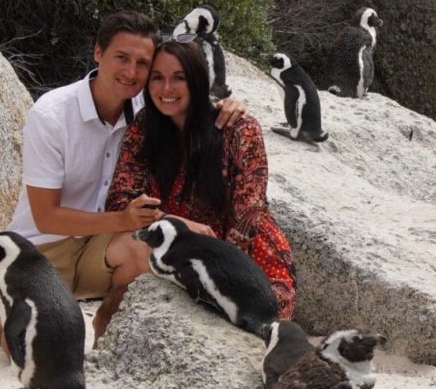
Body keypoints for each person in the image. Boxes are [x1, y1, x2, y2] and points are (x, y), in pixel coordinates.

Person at [0, 11, 247, 346]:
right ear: (98, 53)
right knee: (36, 343)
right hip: (42, 250)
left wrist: (227, 104)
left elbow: (185, 98)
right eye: (122, 58)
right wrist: (124, 219)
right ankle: (6, 314)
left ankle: (108, 324)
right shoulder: (51, 115)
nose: (131, 72)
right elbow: (45, 216)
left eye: (142, 63)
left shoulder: (147, 105)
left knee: (150, 250)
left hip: (102, 247)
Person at [104, 37, 297, 320]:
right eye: (157, 77)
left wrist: (220, 272)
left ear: (197, 80)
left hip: (241, 255)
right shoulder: (145, 128)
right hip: (176, 246)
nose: (166, 89)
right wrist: (173, 223)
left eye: (179, 78)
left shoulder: (237, 128)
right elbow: (120, 200)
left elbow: (249, 215)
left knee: (255, 322)